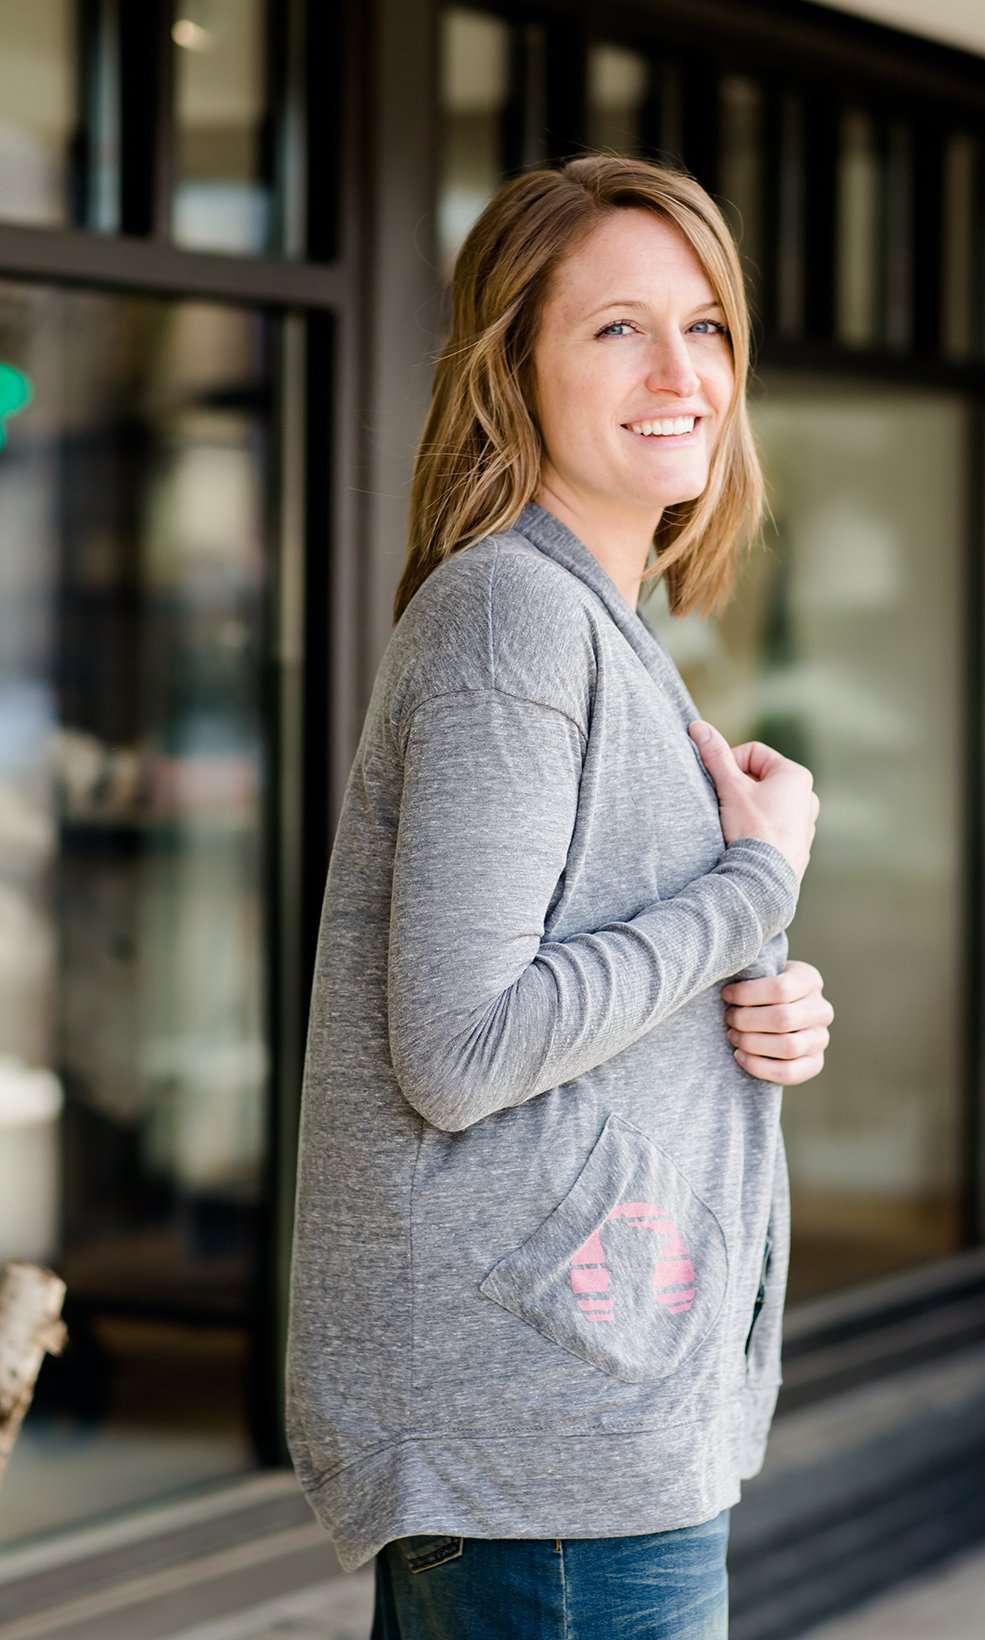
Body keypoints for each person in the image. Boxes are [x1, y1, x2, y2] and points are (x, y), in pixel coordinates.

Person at [284, 151, 832, 1639]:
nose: (682, 371)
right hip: (546, 1445)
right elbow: (461, 1047)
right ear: (513, 366)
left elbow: (584, 986)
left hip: (579, 1430)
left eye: (707, 325)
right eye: (617, 328)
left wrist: (759, 1003)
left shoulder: (602, 626)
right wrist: (751, 883)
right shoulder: (513, 619)